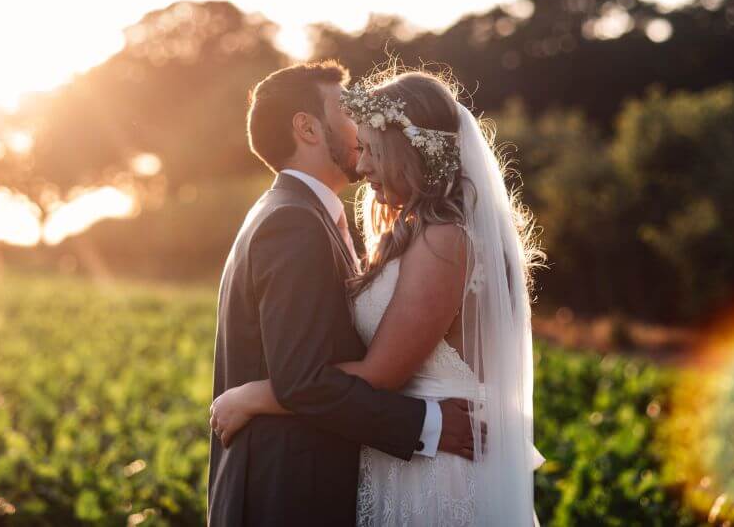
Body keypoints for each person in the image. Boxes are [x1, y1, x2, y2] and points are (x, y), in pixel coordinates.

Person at [212, 66, 546, 525]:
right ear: (307, 127)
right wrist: (427, 423)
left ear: (404, 147)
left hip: (440, 474)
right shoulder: (296, 222)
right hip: (315, 483)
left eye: (370, 145)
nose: (360, 155)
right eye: (347, 120)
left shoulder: (438, 238)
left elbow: (374, 371)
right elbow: (309, 373)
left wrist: (252, 395)